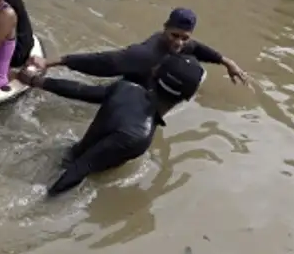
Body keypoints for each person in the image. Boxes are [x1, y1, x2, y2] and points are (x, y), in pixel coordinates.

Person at [17, 53, 206, 196]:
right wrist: (47, 200)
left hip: (67, 152)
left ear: (155, 72)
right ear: (186, 98)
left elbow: (82, 91)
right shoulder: (139, 136)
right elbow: (82, 168)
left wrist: (35, 80)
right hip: (74, 178)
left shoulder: (127, 88)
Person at [28, 7, 248, 86]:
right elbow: (100, 61)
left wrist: (227, 62)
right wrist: (50, 62)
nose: (179, 43)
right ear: (164, 29)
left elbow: (199, 49)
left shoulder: (182, 44)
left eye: (184, 38)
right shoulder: (144, 55)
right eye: (174, 35)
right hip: (130, 79)